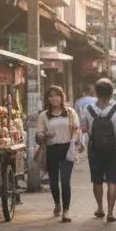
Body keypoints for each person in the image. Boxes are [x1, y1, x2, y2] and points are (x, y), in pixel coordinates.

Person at [35, 85, 81, 222]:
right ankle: (57, 204)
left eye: (57, 95)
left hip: (68, 149)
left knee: (65, 181)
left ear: (62, 97)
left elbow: (78, 130)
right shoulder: (43, 115)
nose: (54, 98)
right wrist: (45, 134)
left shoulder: (70, 112)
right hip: (51, 150)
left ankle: (66, 211)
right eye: (51, 96)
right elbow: (38, 135)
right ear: (47, 99)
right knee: (54, 182)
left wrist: (75, 130)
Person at [82, 77, 116, 222]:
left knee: (97, 180)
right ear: (111, 92)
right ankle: (110, 212)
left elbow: (85, 129)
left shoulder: (88, 109)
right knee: (113, 180)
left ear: (96, 92)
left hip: (95, 149)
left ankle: (100, 208)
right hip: (114, 149)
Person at [74, 81, 97, 149]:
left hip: (82, 129)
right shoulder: (95, 100)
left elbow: (76, 115)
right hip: (94, 128)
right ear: (91, 91)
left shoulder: (78, 102)